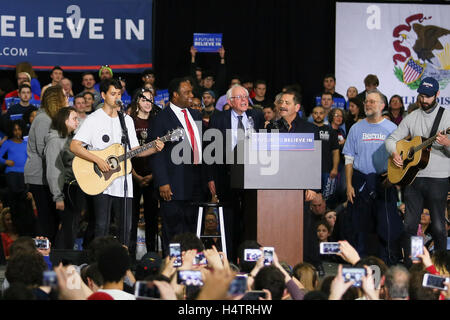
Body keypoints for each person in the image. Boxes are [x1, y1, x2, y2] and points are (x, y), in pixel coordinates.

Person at [70, 79, 164, 248]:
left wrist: (155, 148)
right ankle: (98, 264)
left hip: (123, 181)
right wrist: (98, 160)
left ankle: (122, 265)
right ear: (104, 95)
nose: (117, 97)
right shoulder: (94, 119)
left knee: (125, 228)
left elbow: (135, 150)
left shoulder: (126, 120)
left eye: (119, 94)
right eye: (113, 94)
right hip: (100, 180)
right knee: (101, 226)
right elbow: (74, 146)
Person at [386, 77, 450, 267]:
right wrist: (395, 153)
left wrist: (447, 143)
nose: (424, 100)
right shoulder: (412, 117)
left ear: (437, 95)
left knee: (439, 227)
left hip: (438, 179)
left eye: (428, 96)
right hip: (413, 178)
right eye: (421, 95)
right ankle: (413, 265)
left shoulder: (447, 116)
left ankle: (439, 267)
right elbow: (391, 139)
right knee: (410, 226)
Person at [343, 90, 403, 265]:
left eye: (372, 102)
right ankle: (359, 262)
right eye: (366, 102)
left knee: (386, 226)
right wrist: (348, 185)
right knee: (359, 227)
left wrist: (394, 180)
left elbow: (399, 157)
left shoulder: (392, 129)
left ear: (382, 106)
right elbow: (349, 158)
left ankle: (387, 262)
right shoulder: (356, 127)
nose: (368, 104)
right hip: (360, 182)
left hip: (384, 182)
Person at [206, 84, 265, 260]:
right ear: (230, 101)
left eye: (245, 97)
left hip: (252, 175)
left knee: (249, 219)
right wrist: (210, 177)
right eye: (239, 97)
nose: (243, 100)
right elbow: (210, 149)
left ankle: (248, 258)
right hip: (226, 175)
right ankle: (230, 258)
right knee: (229, 219)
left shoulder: (257, 116)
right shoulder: (219, 118)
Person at [149, 77, 202, 256]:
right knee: (173, 229)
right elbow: (156, 154)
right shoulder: (160, 119)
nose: (191, 96)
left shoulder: (195, 115)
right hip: (172, 184)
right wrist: (162, 182)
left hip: (195, 183)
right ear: (175, 95)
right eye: (187, 92)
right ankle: (172, 268)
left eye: (191, 92)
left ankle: (191, 266)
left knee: (191, 228)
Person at [25, 85, 68, 242]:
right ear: (56, 99)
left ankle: (49, 256)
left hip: (47, 175)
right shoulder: (44, 119)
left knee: (52, 219)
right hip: (40, 177)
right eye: (64, 96)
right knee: (46, 219)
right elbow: (46, 151)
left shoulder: (51, 118)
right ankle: (42, 258)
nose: (67, 99)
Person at [45, 107, 83, 249]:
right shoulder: (55, 140)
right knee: (67, 226)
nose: (77, 121)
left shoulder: (70, 139)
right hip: (64, 189)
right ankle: (62, 262)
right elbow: (53, 170)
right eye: (74, 118)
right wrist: (58, 197)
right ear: (65, 121)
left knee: (71, 225)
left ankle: (66, 261)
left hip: (73, 187)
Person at [127, 88, 160, 253]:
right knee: (131, 220)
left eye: (150, 99)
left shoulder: (157, 121)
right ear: (137, 102)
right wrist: (136, 176)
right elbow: (125, 153)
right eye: (144, 99)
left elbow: (162, 151)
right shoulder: (129, 122)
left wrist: (153, 175)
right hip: (132, 176)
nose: (148, 103)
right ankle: (131, 257)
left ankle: (152, 255)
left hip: (153, 176)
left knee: (152, 219)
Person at [311, 106, 340, 200]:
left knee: (327, 198)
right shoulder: (307, 129)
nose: (318, 115)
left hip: (327, 170)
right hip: (311, 171)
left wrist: (335, 168)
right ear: (312, 115)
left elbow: (335, 151)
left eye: (321, 113)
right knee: (312, 198)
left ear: (325, 115)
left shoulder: (330, 131)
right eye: (315, 113)